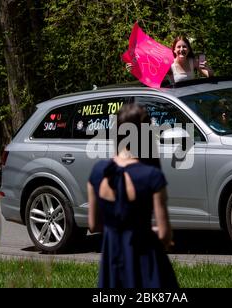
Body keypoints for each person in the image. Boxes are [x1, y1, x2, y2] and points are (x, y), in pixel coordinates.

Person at [87, 103, 178, 288]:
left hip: (112, 260)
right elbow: (164, 234)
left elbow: (93, 224)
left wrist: (118, 230)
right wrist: (146, 231)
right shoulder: (151, 176)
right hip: (145, 260)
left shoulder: (98, 172)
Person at [126, 35, 214, 84]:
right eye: (178, 47)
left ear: (189, 49)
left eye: (184, 47)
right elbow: (151, 73)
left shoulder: (194, 62)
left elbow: (210, 75)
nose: (181, 49)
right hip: (176, 104)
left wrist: (208, 68)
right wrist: (135, 68)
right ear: (174, 50)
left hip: (191, 102)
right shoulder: (170, 65)